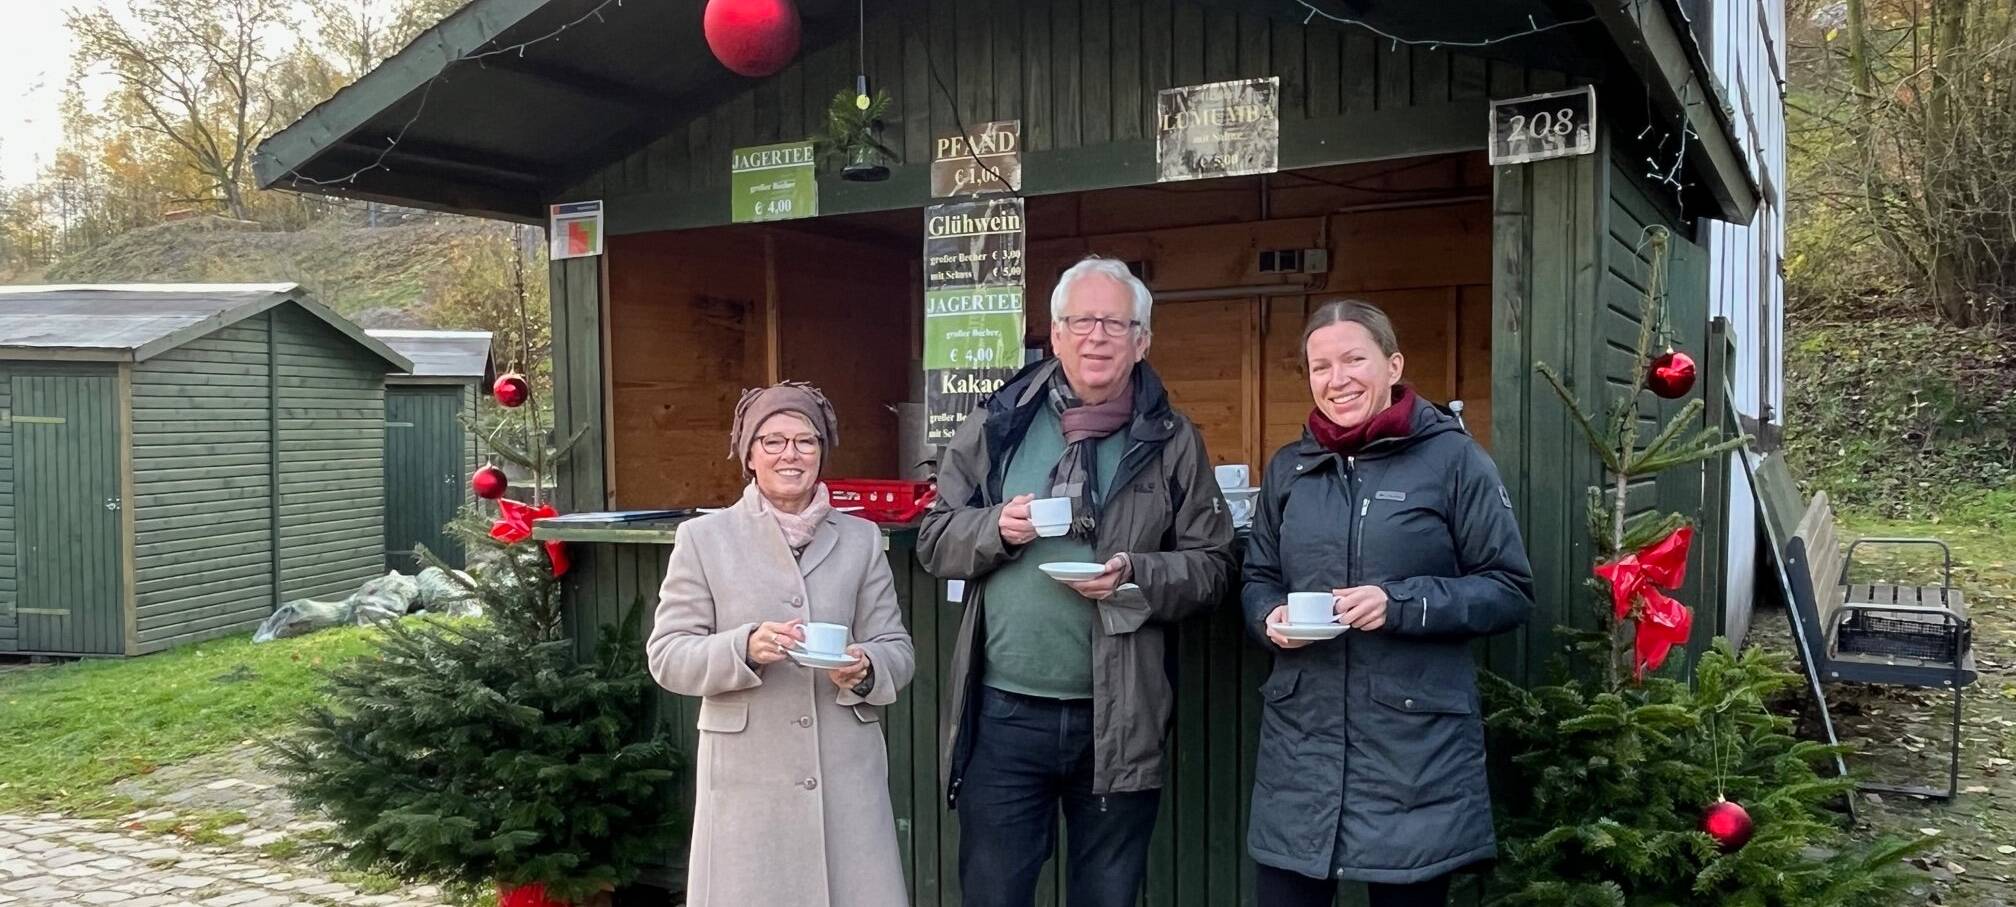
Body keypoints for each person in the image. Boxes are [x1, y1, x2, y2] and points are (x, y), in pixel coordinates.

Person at [918, 255, 1236, 907]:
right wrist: (996, 529)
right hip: (1004, 714)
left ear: (1141, 340)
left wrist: (1138, 575)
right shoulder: (998, 426)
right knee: (993, 894)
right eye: (1082, 320)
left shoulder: (1174, 441)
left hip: (1119, 716)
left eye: (1115, 323)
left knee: (1108, 896)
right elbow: (933, 536)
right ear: (1055, 334)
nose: (1097, 335)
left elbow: (1215, 565)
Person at [1241, 300, 1534, 907]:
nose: (1337, 378)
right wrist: (1267, 617)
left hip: (1415, 755)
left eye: (1354, 359)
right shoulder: (1291, 468)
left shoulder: (1454, 461)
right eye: (1321, 366)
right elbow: (1258, 575)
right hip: (1303, 749)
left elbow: (1509, 589)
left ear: (1393, 364)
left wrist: (1401, 604)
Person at [646, 382, 916, 907]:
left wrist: (865, 667)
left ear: (822, 452)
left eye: (805, 441)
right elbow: (668, 654)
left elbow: (897, 649)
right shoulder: (704, 539)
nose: (790, 454)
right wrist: (742, 647)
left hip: (845, 775)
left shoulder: (860, 539)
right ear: (748, 454)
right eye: (772, 441)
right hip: (748, 779)